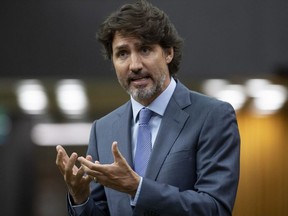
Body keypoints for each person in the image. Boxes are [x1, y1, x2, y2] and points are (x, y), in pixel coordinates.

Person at [55, 0, 240, 215]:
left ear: (168, 52)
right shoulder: (102, 130)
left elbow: (215, 208)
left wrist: (138, 188)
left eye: (145, 49)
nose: (134, 65)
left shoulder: (213, 116)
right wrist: (80, 197)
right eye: (122, 53)